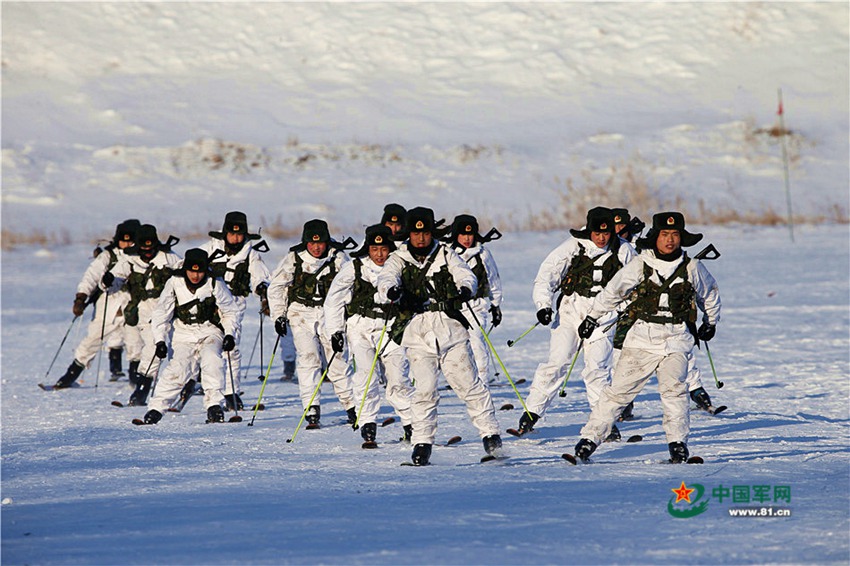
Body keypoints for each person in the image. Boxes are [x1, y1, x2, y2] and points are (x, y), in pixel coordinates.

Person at [568, 211, 721, 464]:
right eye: (664, 235)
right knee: (617, 394)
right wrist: (592, 317)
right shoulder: (641, 264)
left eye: (675, 235)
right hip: (641, 339)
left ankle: (678, 445)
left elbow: (710, 295)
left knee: (675, 393)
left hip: (677, 340)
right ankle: (588, 441)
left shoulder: (693, 267)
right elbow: (613, 292)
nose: (670, 240)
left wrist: (711, 322)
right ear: (655, 237)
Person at [376, 206, 502, 465]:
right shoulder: (398, 258)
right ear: (409, 233)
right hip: (417, 332)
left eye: (425, 232)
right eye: (415, 233)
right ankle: (422, 443)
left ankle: (490, 435)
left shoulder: (446, 253)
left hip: (451, 330)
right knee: (424, 390)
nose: (420, 238)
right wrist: (391, 291)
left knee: (470, 385)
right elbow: (386, 279)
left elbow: (465, 274)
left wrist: (466, 288)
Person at [514, 207, 637, 439]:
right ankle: (531, 413)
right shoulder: (572, 246)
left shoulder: (625, 250)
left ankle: (603, 422)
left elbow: (636, 285)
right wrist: (544, 306)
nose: (602, 238)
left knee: (597, 369)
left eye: (607, 233)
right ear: (589, 230)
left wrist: (620, 309)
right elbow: (547, 275)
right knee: (557, 362)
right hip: (570, 311)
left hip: (604, 316)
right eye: (597, 233)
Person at [324, 224, 415, 447]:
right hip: (361, 328)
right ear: (368, 249)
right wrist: (335, 331)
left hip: (393, 328)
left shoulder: (400, 265)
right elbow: (334, 299)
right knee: (366, 376)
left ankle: (412, 425)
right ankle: (367, 424)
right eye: (375, 250)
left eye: (384, 249)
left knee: (398, 379)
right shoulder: (355, 267)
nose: (380, 254)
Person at [268, 219, 357, 428]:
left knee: (338, 361)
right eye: (312, 243)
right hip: (301, 314)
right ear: (305, 242)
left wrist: (348, 313)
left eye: (321, 243)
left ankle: (352, 406)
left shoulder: (339, 257)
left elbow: (352, 286)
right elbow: (276, 287)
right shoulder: (293, 258)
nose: (316, 247)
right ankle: (311, 407)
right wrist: (279, 316)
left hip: (330, 314)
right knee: (308, 359)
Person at [138, 248, 241, 425]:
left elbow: (230, 311)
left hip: (210, 331)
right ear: (185, 269)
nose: (195, 276)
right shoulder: (174, 283)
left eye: (199, 271)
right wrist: (160, 340)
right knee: (178, 368)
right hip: (183, 333)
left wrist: (230, 334)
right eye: (192, 271)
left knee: (212, 360)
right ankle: (155, 409)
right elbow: (162, 314)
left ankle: (214, 406)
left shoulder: (215, 283)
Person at [51, 219, 140, 389]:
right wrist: (80, 298)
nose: (127, 243)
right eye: (124, 240)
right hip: (107, 309)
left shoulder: (140, 256)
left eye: (131, 240)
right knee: (90, 343)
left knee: (136, 345)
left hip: (132, 309)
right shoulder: (107, 256)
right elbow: (91, 276)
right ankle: (70, 377)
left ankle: (135, 382)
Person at [200, 211, 271, 411]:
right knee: (205, 347)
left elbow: (259, 273)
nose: (236, 238)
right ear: (225, 233)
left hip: (235, 303)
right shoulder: (209, 249)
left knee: (231, 349)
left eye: (240, 234)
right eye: (232, 234)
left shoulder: (251, 252)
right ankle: (205, 388)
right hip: (209, 305)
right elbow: (190, 266)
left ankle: (232, 392)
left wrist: (262, 288)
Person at [107, 224, 181, 406]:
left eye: (151, 248)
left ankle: (185, 386)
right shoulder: (129, 260)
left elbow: (186, 274)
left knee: (178, 353)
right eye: (143, 249)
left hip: (170, 314)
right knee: (153, 350)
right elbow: (115, 282)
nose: (147, 252)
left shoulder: (169, 258)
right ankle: (141, 392)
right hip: (144, 314)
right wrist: (109, 281)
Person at [445, 214, 503, 386]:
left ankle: (481, 383)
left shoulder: (483, 253)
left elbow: (493, 279)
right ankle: (456, 381)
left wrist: (496, 305)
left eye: (470, 234)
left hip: (476, 307)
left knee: (477, 343)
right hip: (451, 308)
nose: (467, 238)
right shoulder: (445, 252)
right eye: (463, 235)